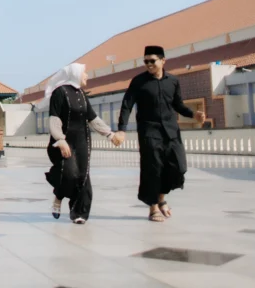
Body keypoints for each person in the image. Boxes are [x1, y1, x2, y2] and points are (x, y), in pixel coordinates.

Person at [113, 45, 206, 222]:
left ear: (163, 61)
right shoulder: (139, 82)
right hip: (149, 131)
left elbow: (178, 105)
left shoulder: (173, 81)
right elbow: (127, 106)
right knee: (153, 169)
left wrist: (194, 114)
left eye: (152, 61)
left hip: (171, 131)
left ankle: (162, 197)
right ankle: (153, 207)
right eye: (145, 61)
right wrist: (121, 130)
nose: (148, 64)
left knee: (178, 167)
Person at [41, 63, 120, 224]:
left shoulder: (82, 94)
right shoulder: (60, 93)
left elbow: (92, 118)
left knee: (83, 176)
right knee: (70, 174)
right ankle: (58, 195)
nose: (87, 76)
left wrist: (110, 135)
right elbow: (54, 119)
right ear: (76, 74)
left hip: (82, 141)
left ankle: (79, 213)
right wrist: (60, 140)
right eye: (85, 73)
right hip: (64, 141)